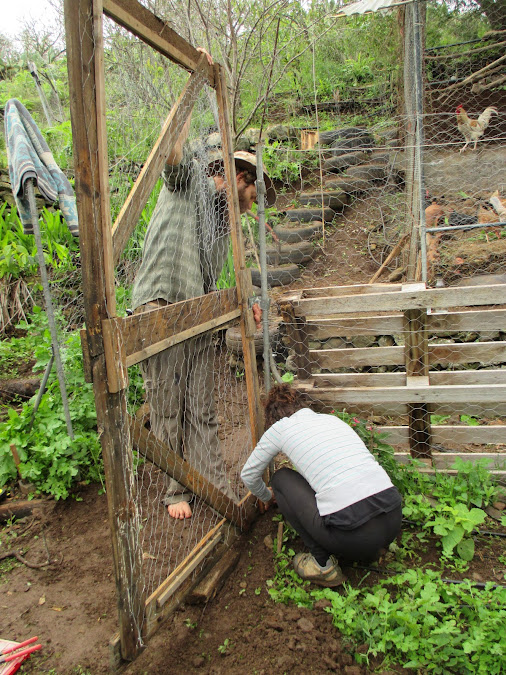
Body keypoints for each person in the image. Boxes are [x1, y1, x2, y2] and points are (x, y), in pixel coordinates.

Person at [132, 49, 276, 520]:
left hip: (196, 315)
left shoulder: (222, 221)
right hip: (161, 303)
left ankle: (212, 483)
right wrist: (194, 83)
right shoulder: (189, 179)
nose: (251, 207)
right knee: (168, 404)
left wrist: (249, 302)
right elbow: (170, 153)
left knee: (202, 406)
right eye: (252, 195)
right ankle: (176, 489)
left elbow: (228, 277)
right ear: (240, 177)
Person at [241, 385, 402, 587]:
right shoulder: (331, 420)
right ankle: (376, 546)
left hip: (355, 539)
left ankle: (322, 565)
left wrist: (267, 496)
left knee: (281, 478)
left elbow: (248, 474)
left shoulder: (280, 428)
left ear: (273, 417)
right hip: (393, 520)